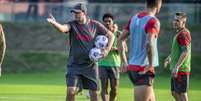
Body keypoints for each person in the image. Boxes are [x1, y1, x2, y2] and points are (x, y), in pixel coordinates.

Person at [47, 3, 114, 101]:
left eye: (77, 13)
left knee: (94, 95)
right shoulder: (72, 24)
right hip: (74, 65)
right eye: (74, 13)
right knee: (70, 91)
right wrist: (54, 23)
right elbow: (63, 29)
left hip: (91, 66)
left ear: (84, 13)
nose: (75, 14)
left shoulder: (95, 25)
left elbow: (111, 35)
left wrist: (107, 50)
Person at [118, 0, 162, 101]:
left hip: (133, 67)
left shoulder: (134, 18)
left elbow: (120, 39)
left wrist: (124, 61)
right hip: (143, 69)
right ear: (159, 5)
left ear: (146, 3)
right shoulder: (153, 21)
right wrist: (151, 64)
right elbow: (149, 43)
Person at [98, 13, 127, 101]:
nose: (107, 23)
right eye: (105, 21)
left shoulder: (119, 34)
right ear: (103, 23)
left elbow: (125, 49)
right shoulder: (100, 35)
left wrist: (112, 48)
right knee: (104, 88)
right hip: (102, 64)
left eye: (109, 21)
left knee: (115, 89)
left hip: (115, 64)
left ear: (113, 22)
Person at [164, 12, 191, 101]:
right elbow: (178, 51)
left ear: (183, 22)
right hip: (177, 69)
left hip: (181, 70)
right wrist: (170, 57)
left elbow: (185, 51)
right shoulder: (179, 34)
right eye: (174, 20)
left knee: (182, 94)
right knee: (174, 93)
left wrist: (177, 67)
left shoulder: (183, 34)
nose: (174, 22)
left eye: (177, 20)